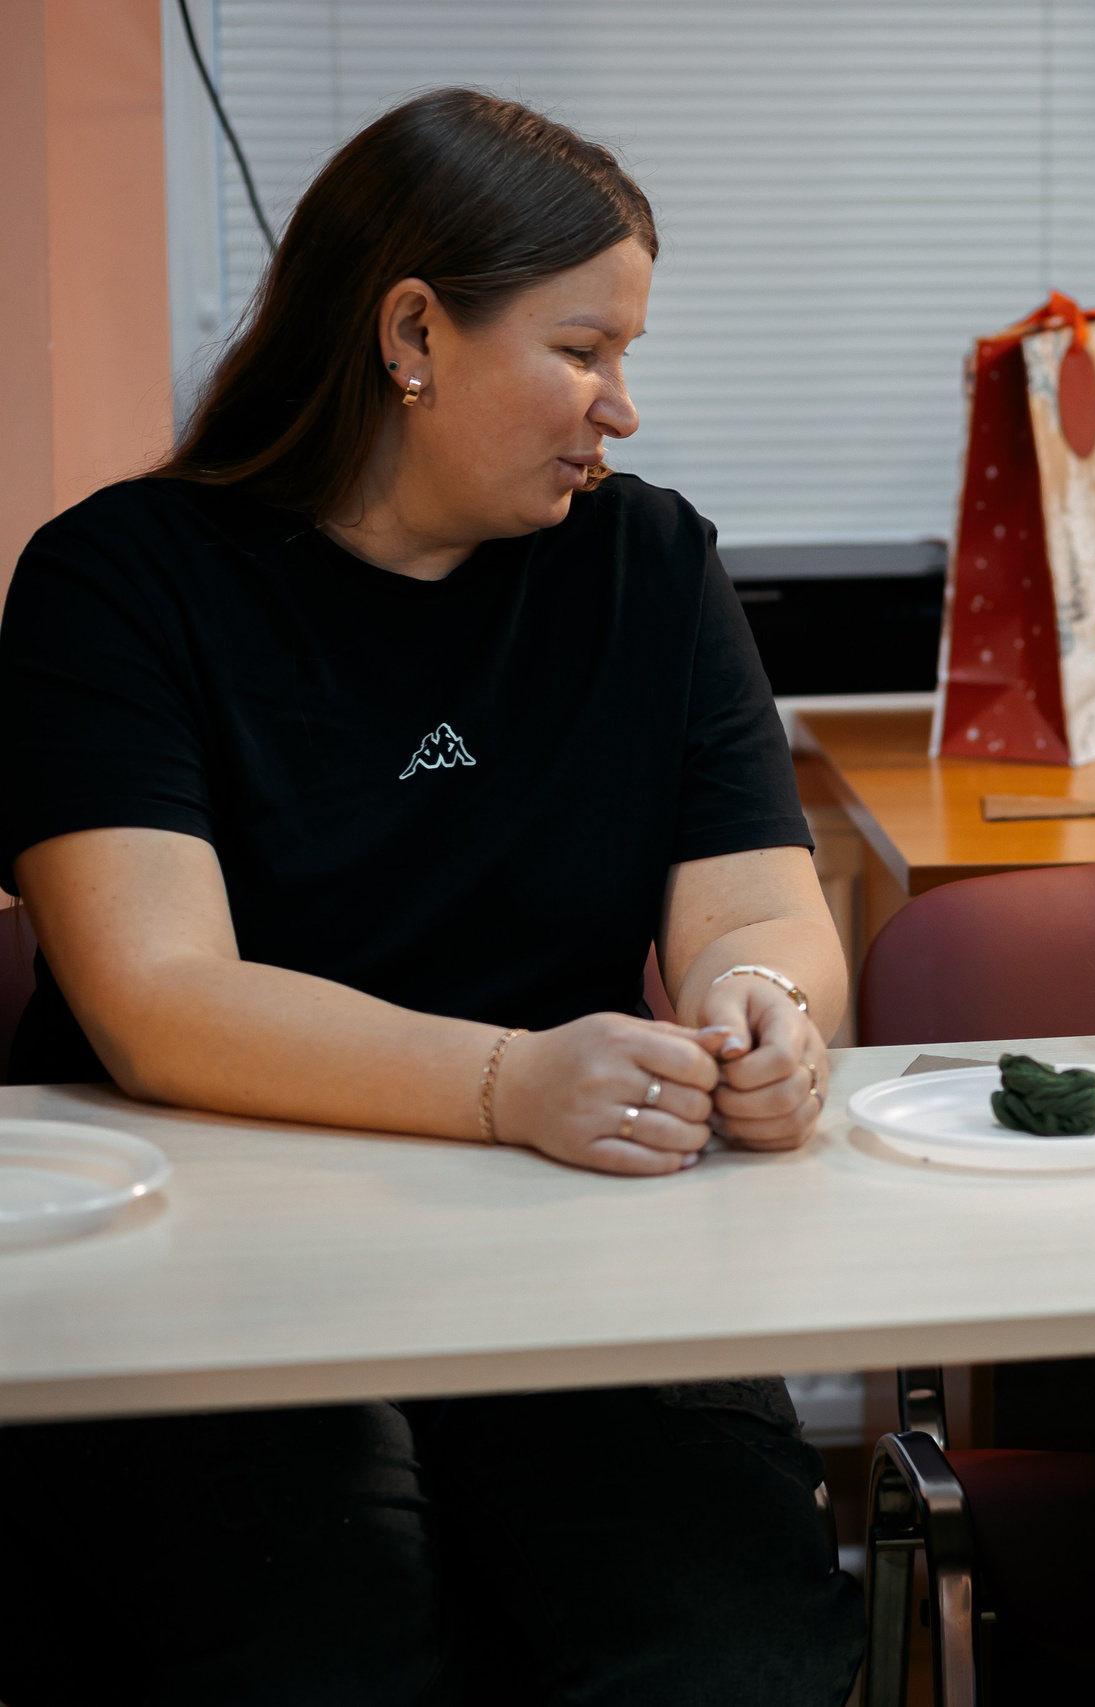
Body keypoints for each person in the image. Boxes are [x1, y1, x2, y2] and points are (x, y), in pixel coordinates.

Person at [0, 91, 860, 1706]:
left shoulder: (653, 568)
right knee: (327, 1647)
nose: (621, 407)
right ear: (411, 330)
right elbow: (155, 990)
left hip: (567, 1252)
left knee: (730, 1651)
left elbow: (758, 908)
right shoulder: (115, 584)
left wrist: (775, 1012)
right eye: (584, 350)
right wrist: (506, 1080)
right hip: (206, 1258)